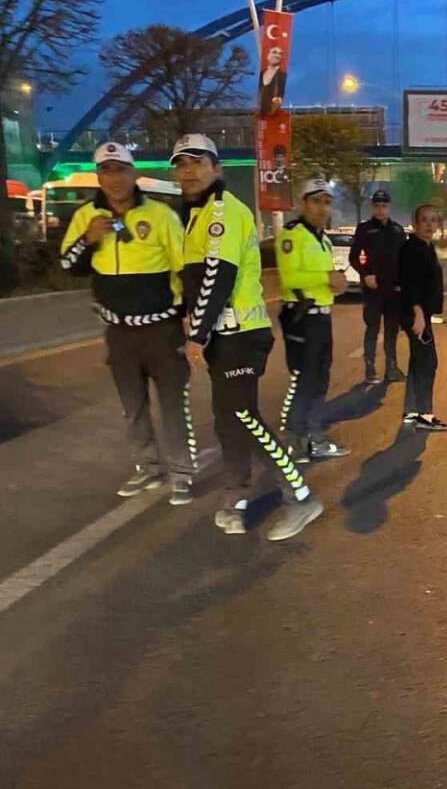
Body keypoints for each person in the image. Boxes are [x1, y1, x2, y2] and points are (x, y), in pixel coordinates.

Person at [170, 133, 324, 541]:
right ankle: (236, 497)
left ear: (216, 168)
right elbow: (191, 283)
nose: (188, 170)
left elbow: (218, 279)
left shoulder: (223, 212)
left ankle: (300, 495)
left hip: (240, 335)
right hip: (223, 337)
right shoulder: (196, 216)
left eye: (197, 162)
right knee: (227, 421)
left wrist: (196, 336)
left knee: (244, 418)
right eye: (181, 163)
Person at [59, 141, 196, 504]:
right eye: (107, 170)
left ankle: (182, 472)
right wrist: (90, 240)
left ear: (133, 173)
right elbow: (68, 265)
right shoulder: (85, 216)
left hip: (161, 330)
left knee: (172, 404)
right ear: (99, 177)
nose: (114, 178)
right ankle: (148, 468)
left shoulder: (161, 215)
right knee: (132, 406)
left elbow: (184, 268)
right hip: (118, 333)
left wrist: (188, 320)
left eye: (121, 169)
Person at [275, 179, 351, 463]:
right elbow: (289, 276)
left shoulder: (324, 239)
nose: (322, 208)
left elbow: (324, 278)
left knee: (320, 380)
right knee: (303, 380)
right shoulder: (291, 235)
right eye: (316, 201)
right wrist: (325, 278)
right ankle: (295, 440)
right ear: (303, 203)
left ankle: (314, 436)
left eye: (327, 202)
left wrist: (336, 283)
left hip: (322, 318)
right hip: (301, 317)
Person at [397, 204, 447, 432]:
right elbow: (410, 284)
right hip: (416, 314)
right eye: (424, 220)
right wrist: (418, 314)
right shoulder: (411, 249)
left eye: (433, 220)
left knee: (419, 361)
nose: (429, 224)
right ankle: (425, 414)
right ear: (415, 224)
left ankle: (411, 411)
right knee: (428, 362)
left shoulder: (426, 247)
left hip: (422, 313)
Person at [349, 188, 406, 384]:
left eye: (384, 206)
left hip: (393, 290)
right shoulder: (364, 229)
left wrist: (403, 284)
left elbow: (404, 260)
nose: (380, 210)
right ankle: (370, 368)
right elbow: (354, 257)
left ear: (389, 207)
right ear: (372, 207)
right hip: (373, 289)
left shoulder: (398, 230)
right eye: (377, 206)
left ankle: (391, 367)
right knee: (372, 327)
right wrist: (365, 275)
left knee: (392, 330)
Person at [258, 44, 286, 117]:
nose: (277, 55)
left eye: (280, 53)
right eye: (274, 52)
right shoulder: (260, 75)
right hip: (259, 116)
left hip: (272, 117)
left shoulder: (282, 76)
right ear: (267, 55)